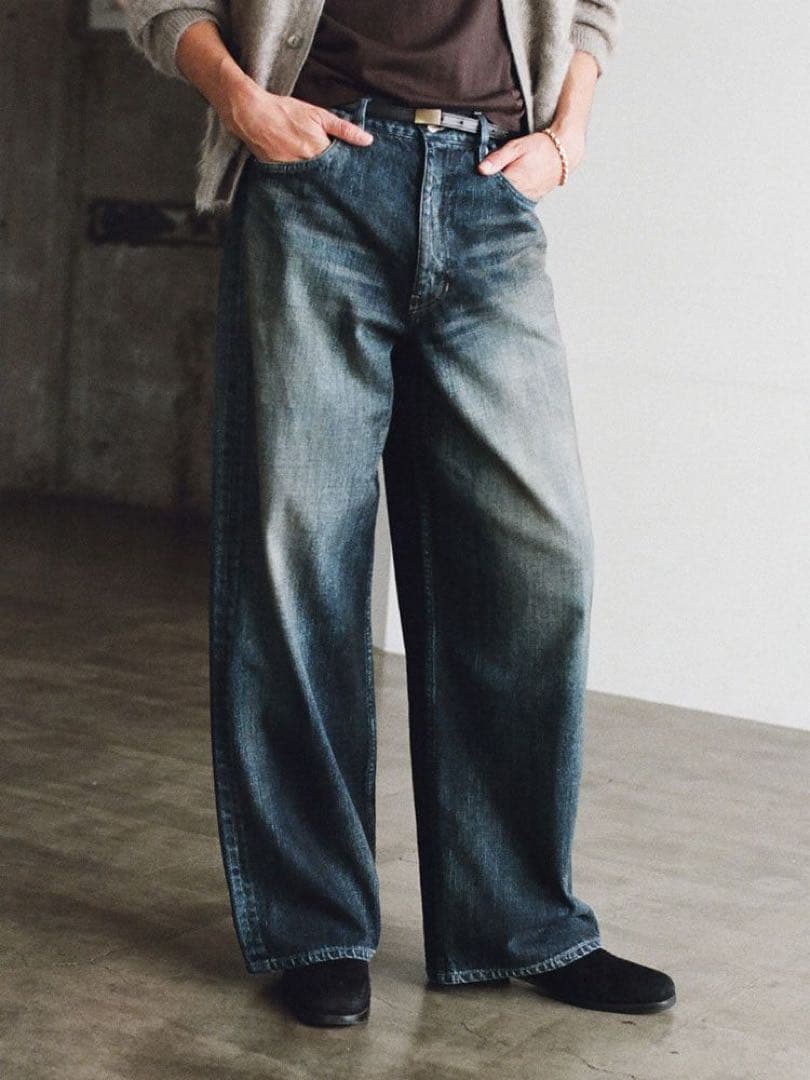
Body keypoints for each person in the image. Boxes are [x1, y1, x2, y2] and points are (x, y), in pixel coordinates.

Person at [126, 0, 676, 1027]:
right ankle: (316, 927)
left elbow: (591, 10)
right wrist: (242, 101)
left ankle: (517, 923)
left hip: (490, 183)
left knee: (537, 559)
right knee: (301, 554)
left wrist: (569, 135)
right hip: (317, 174)